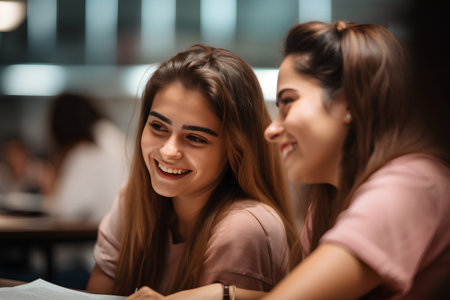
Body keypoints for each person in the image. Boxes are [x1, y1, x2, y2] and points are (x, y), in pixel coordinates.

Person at [126, 21, 450, 300]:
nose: (271, 129)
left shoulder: (411, 185)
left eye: (288, 102)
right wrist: (225, 293)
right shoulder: (327, 202)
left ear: (351, 102)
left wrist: (222, 293)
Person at [86, 44, 302, 296]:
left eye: (195, 138)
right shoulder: (134, 198)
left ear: (237, 151)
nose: (168, 151)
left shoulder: (245, 227)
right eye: (158, 127)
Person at [44, 92, 129, 222]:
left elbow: (65, 209)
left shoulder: (86, 150)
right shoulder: (112, 135)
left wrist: (50, 189)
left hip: (95, 235)